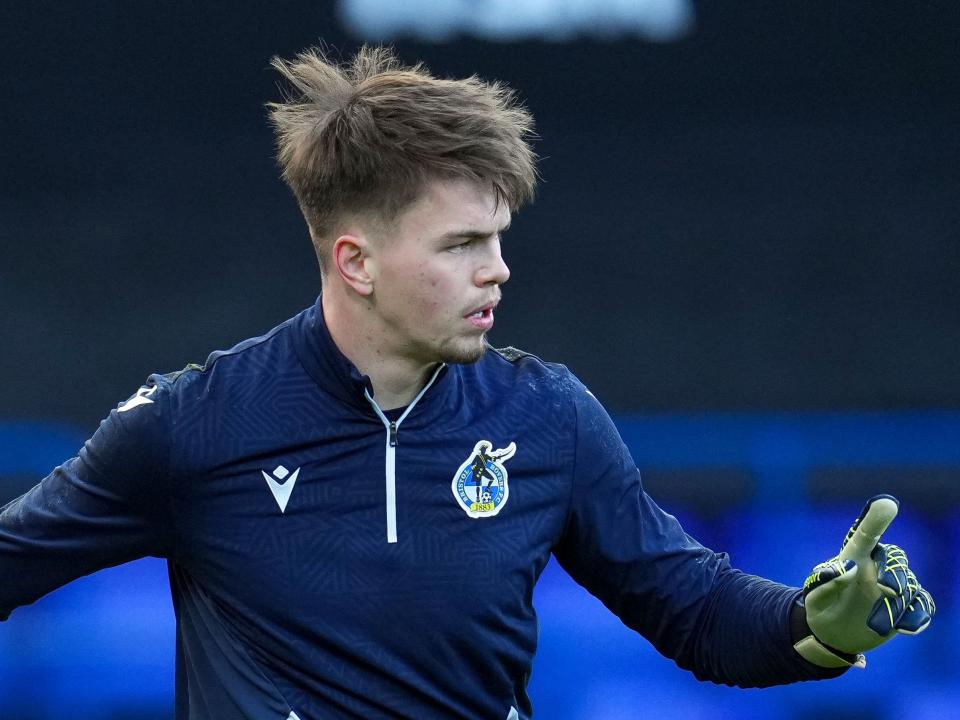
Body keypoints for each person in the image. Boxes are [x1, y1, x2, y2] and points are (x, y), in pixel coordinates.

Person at [0, 46, 934, 720]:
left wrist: (816, 622)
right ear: (356, 261)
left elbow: (695, 613)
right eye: (462, 246)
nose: (500, 271)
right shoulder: (189, 425)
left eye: (498, 240)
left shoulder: (549, 417)